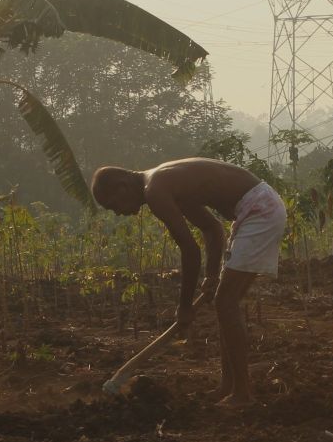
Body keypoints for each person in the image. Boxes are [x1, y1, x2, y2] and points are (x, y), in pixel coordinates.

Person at [91, 157, 287, 406]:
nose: (118, 213)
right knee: (225, 303)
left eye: (112, 206)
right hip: (256, 208)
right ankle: (228, 386)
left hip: (261, 210)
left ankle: (242, 393)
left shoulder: (155, 190)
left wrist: (184, 306)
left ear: (122, 186)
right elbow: (211, 228)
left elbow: (190, 250)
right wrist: (212, 275)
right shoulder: (164, 182)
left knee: (226, 303)